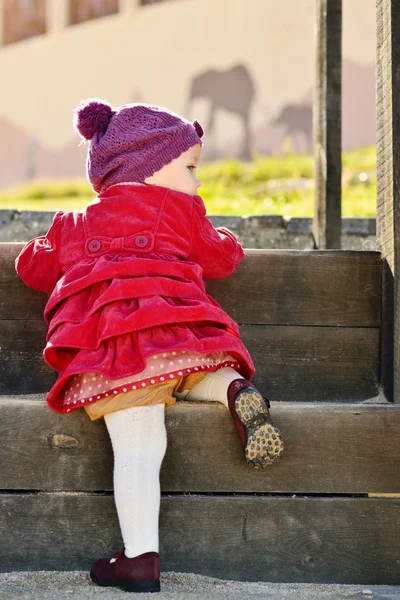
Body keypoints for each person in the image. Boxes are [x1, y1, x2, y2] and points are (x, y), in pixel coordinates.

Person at [15, 100, 284, 593]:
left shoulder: (75, 223)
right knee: (193, 371)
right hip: (184, 334)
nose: (197, 181)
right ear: (150, 166)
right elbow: (221, 257)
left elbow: (32, 270)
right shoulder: (179, 211)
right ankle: (233, 389)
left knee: (138, 445)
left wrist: (42, 245)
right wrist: (223, 234)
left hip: (115, 351)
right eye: (190, 168)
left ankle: (139, 559)